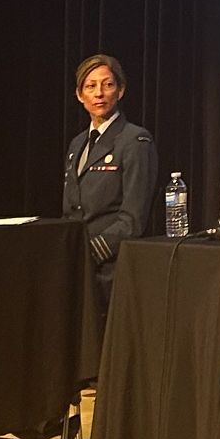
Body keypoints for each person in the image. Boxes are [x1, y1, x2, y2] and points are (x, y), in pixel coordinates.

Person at [62, 54, 157, 301]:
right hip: (77, 267)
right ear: (80, 95)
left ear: (121, 90)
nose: (99, 93)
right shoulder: (77, 144)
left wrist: (93, 251)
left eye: (108, 84)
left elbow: (133, 219)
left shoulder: (135, 140)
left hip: (111, 268)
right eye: (90, 86)